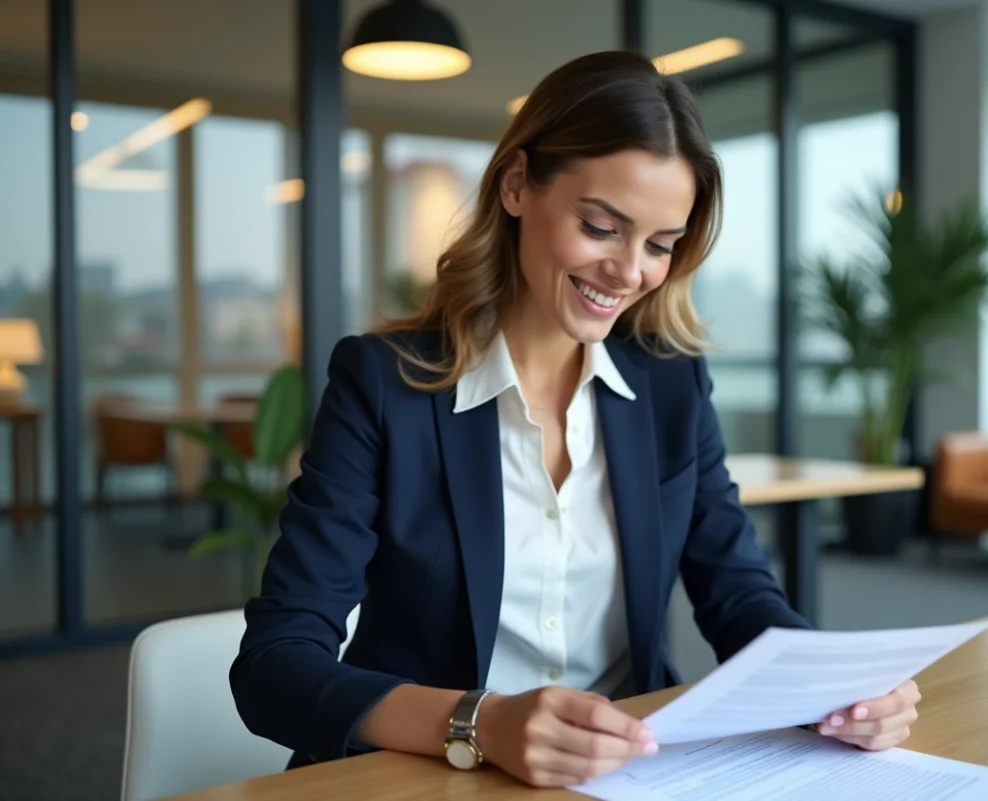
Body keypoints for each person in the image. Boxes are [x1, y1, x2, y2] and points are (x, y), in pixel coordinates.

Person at [230, 50, 921, 789]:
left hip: (628, 773)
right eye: (601, 226)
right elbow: (275, 664)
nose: (629, 272)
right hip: (435, 774)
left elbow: (739, 593)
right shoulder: (384, 385)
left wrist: (837, 687)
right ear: (519, 184)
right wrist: (480, 721)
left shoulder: (670, 385)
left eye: (660, 245)